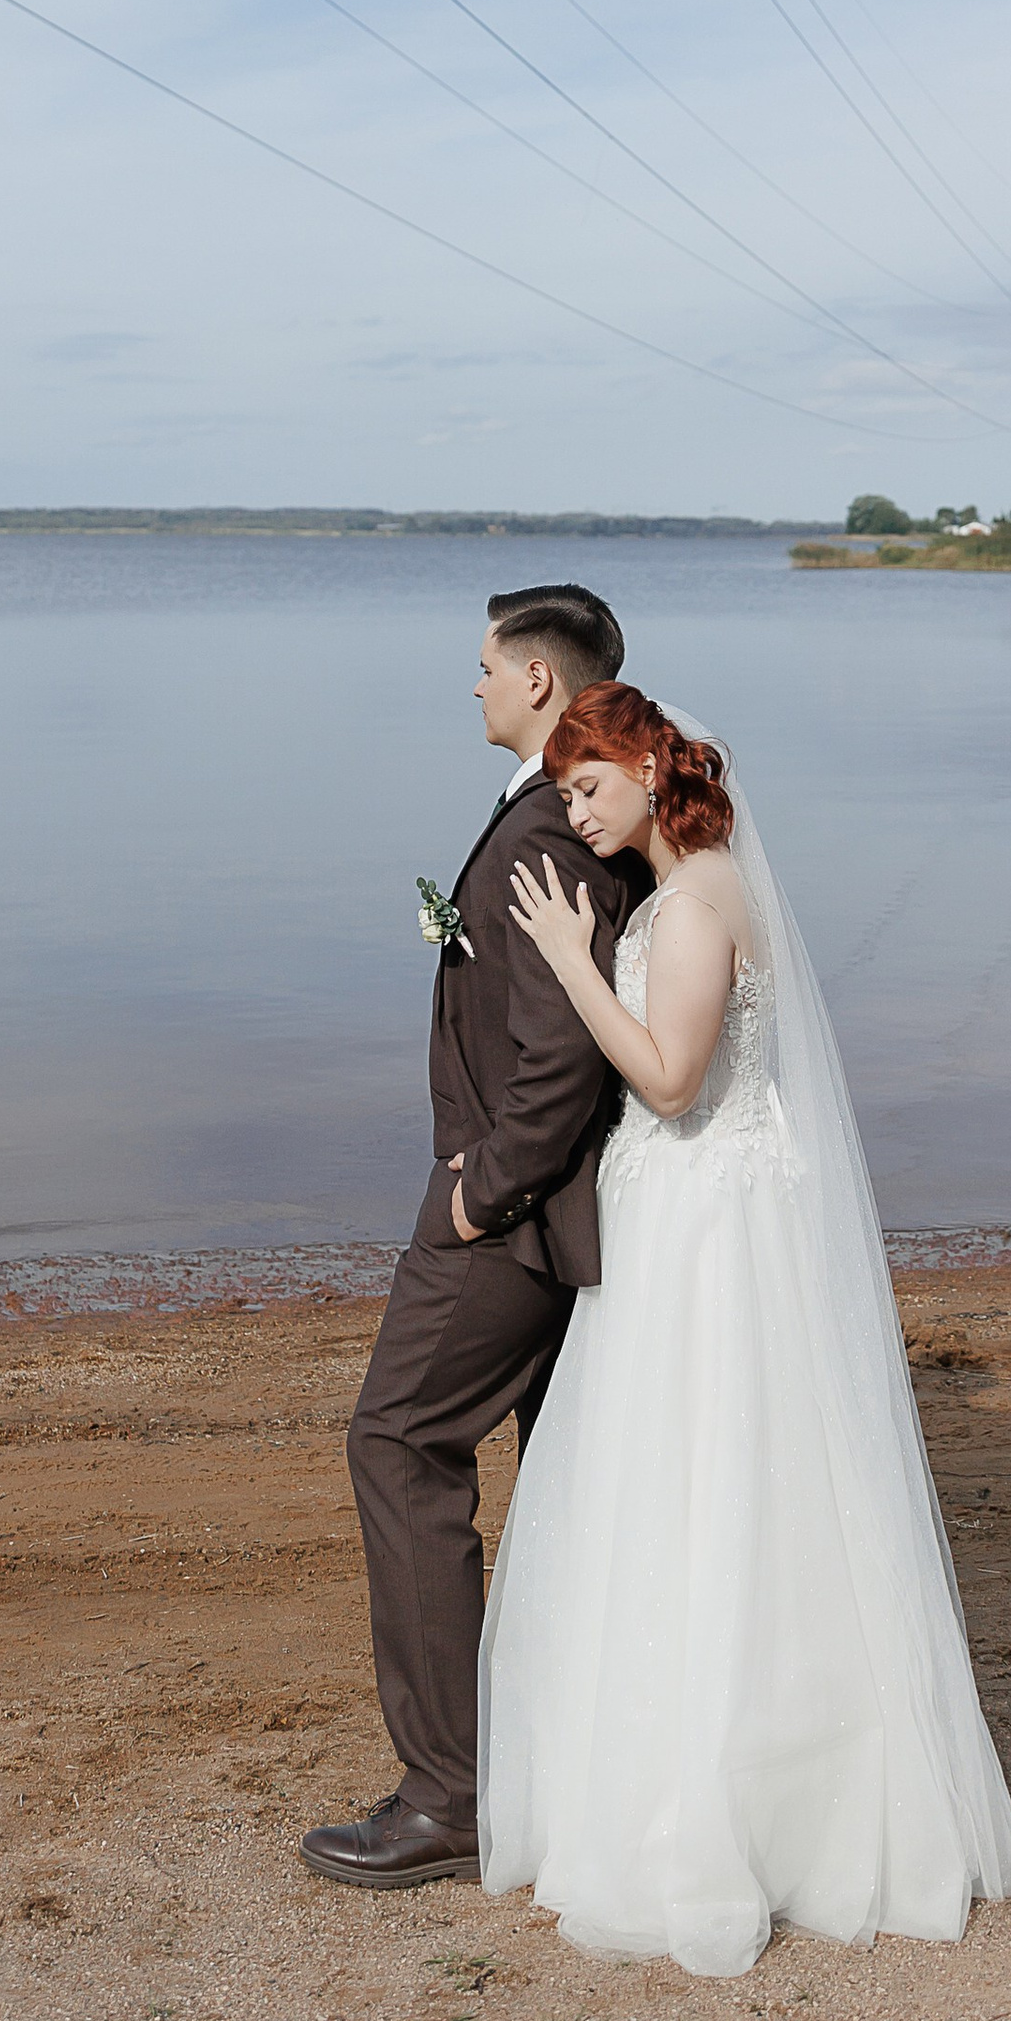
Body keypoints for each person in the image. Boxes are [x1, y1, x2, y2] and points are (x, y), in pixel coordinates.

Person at [479, 682, 1011, 1973]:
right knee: (751, 1491)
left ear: (647, 769)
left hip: (701, 1226)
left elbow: (670, 1083)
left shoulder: (690, 906)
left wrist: (568, 963)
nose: (576, 811)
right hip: (720, 1210)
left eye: (589, 786)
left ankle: (715, 1812)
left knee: (697, 1491)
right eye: (563, 793)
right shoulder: (713, 886)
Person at [300, 584, 653, 1888]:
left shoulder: (549, 837)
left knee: (397, 1443)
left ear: (541, 686)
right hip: (531, 1217)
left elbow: (558, 1061)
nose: (474, 685)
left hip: (508, 1227)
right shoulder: (555, 818)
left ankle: (448, 1793)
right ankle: (563, 1762)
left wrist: (477, 1193)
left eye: (488, 666)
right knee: (563, 1480)